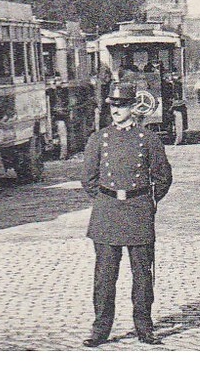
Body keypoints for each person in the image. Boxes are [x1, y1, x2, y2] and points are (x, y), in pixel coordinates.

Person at [81, 83, 173, 346]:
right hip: (107, 212)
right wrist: (104, 201)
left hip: (138, 212)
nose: (116, 111)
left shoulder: (148, 139)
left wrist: (147, 202)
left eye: (121, 106)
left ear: (133, 107)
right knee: (104, 277)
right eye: (113, 106)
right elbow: (88, 178)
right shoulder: (98, 139)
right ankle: (100, 329)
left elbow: (163, 177)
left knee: (143, 276)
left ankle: (144, 327)